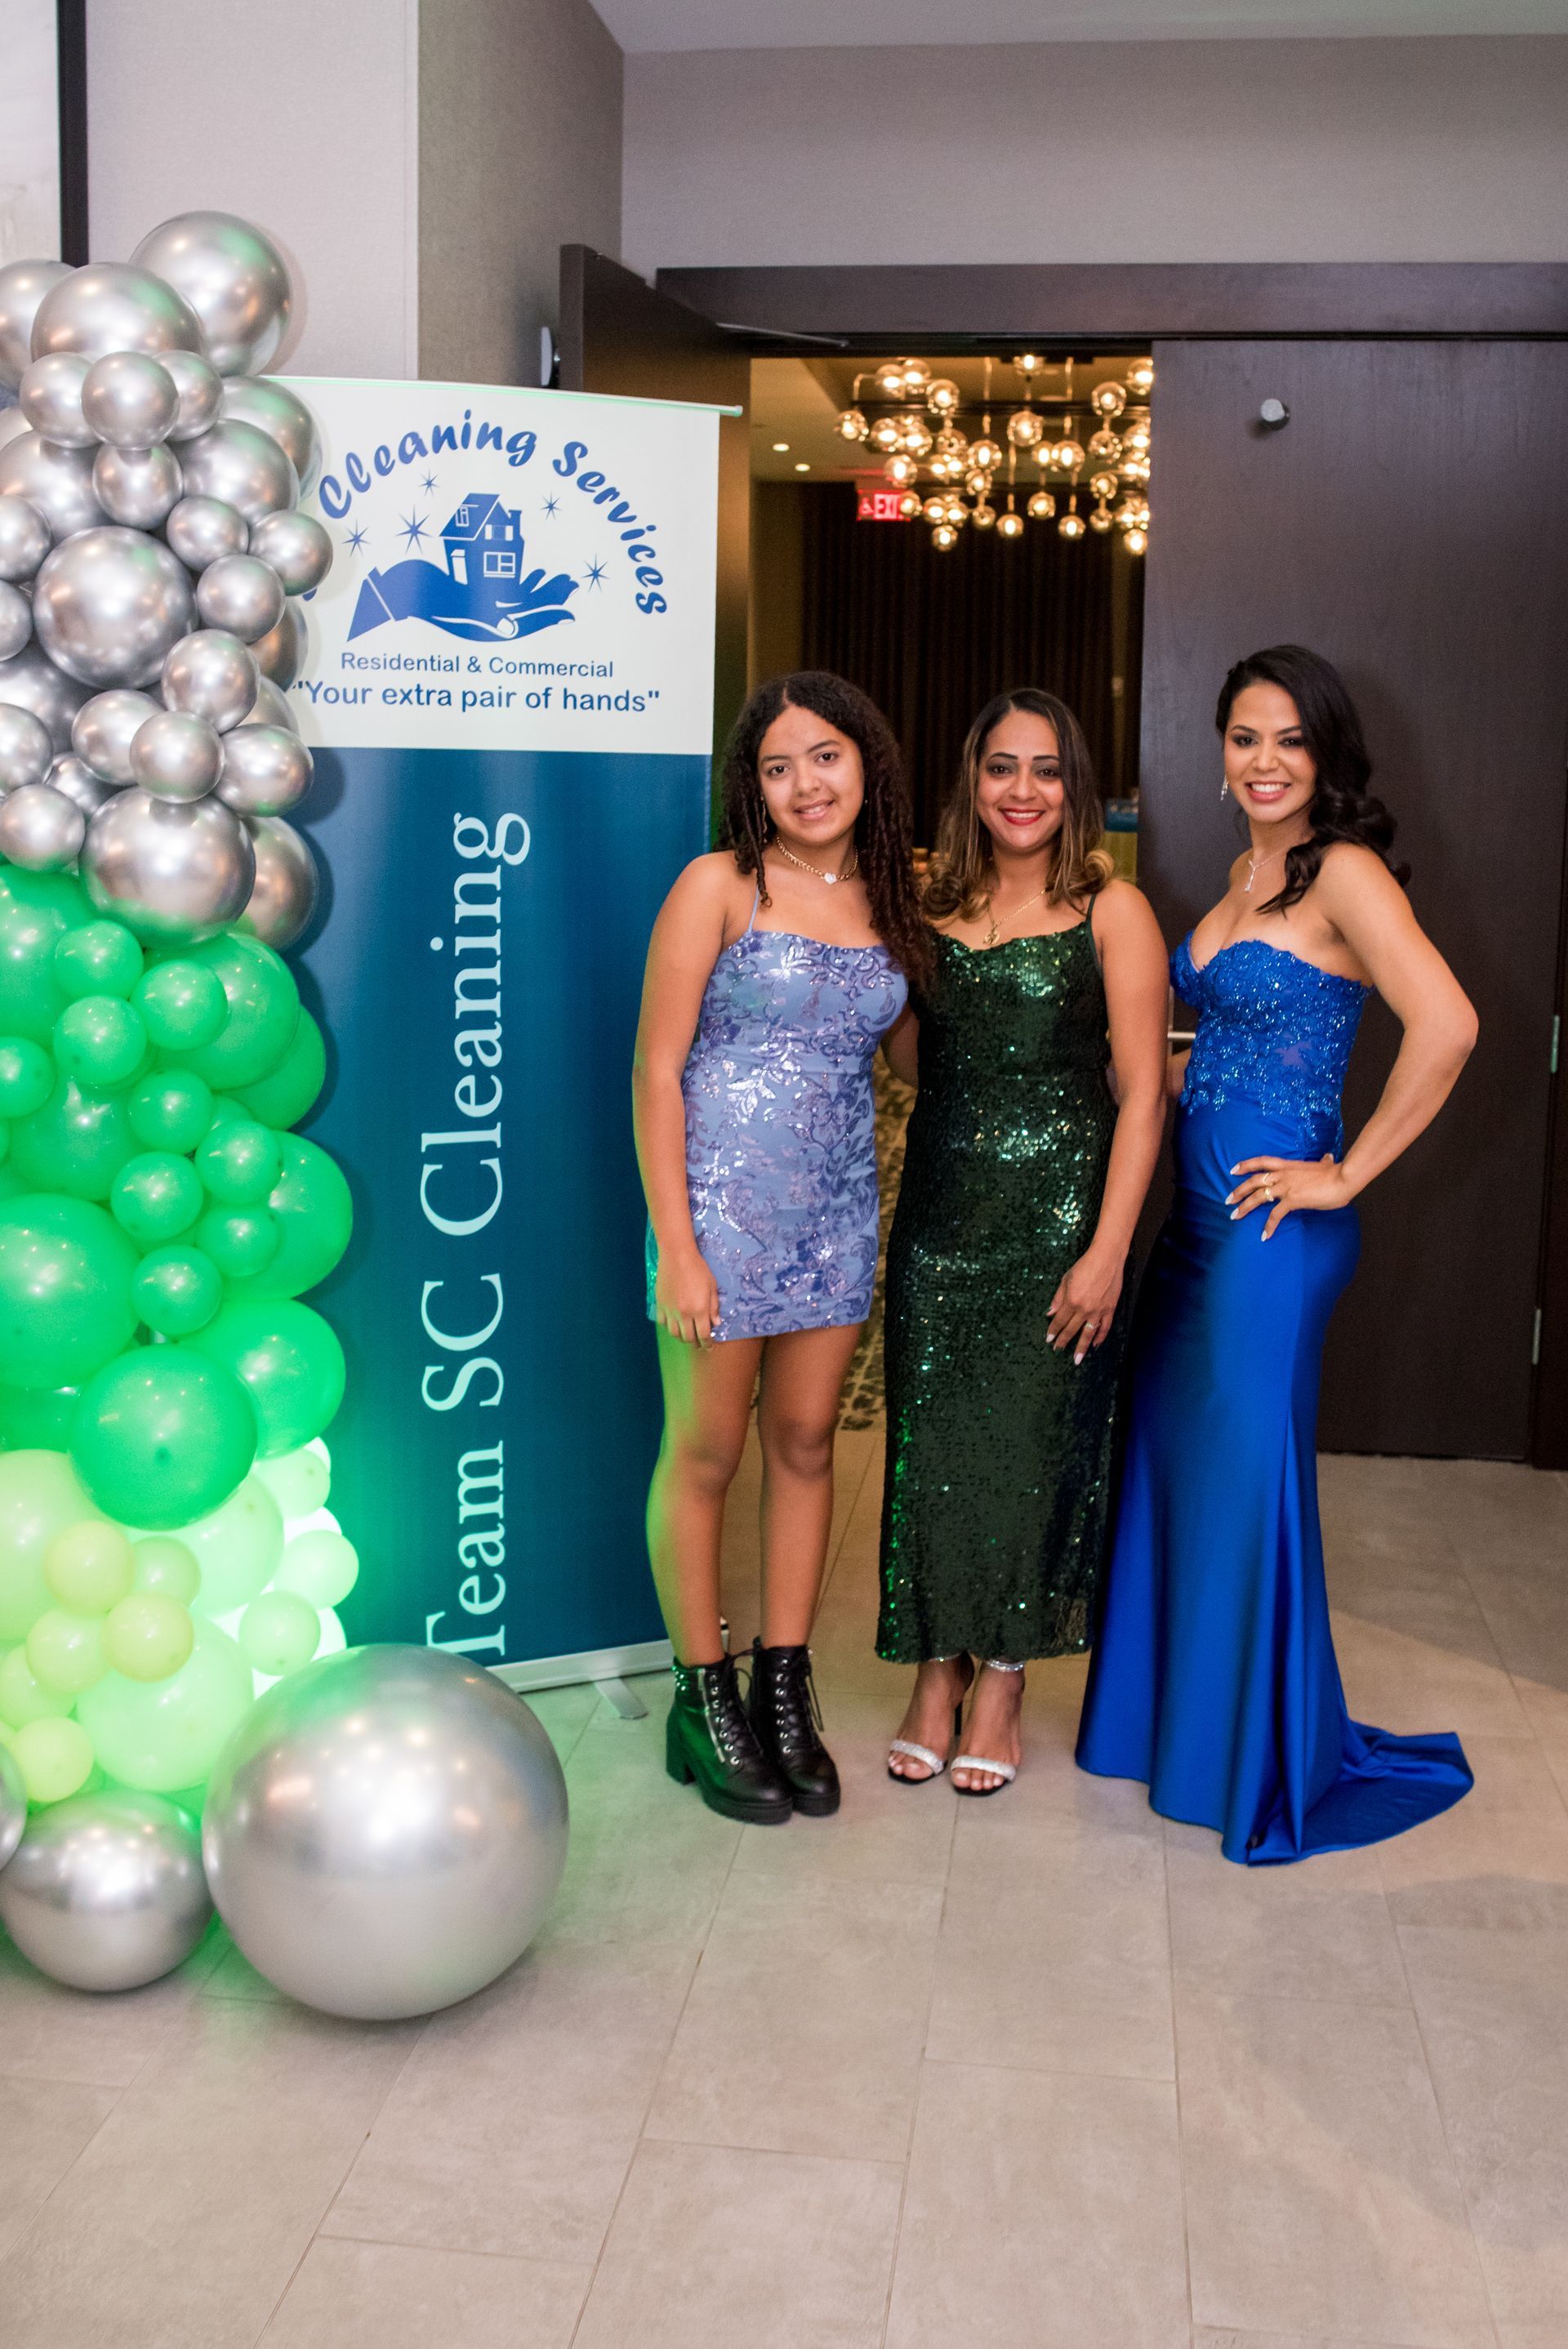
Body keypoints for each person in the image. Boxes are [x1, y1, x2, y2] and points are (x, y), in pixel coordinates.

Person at [1076, 644, 1477, 1861]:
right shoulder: (1254, 870)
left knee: (1246, 1489)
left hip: (1271, 1235)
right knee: (1174, 1468)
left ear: (1326, 755)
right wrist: (1174, 1072)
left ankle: (1247, 1762)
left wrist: (1346, 1169)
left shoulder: (1345, 871)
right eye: (1245, 738)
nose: (1264, 761)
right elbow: (1253, 1033)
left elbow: (1449, 1023)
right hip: (1196, 1232)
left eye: (1289, 740)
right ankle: (1168, 1731)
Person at [634, 671, 926, 1825]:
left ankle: (784, 1689)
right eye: (778, 764)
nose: (807, 783)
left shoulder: (894, 900)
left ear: (868, 766)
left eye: (827, 757)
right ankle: (700, 1696)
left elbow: (912, 1065)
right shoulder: (720, 886)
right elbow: (658, 1069)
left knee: (807, 1446)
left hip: (837, 1213)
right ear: (750, 785)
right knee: (706, 1453)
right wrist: (679, 1244)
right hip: (714, 1213)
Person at [880, 689, 1168, 1795]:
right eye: (1002, 767)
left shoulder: (1112, 911)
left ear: (1074, 787)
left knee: (1041, 1449)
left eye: (1046, 770)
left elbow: (1143, 1096)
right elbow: (913, 1066)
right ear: (972, 781)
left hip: (1063, 1222)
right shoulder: (928, 907)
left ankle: (1001, 1676)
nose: (1023, 791)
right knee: (934, 1454)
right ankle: (932, 1674)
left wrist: (1105, 1251)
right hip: (943, 1222)